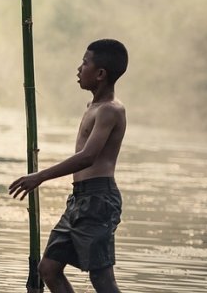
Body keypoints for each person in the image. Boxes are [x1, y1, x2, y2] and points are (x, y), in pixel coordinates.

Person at [9, 39, 129, 293]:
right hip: (80, 199)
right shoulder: (93, 107)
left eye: (84, 63)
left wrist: (40, 176)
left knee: (102, 279)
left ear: (100, 74)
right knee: (49, 269)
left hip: (99, 200)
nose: (78, 69)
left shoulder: (110, 111)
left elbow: (88, 157)